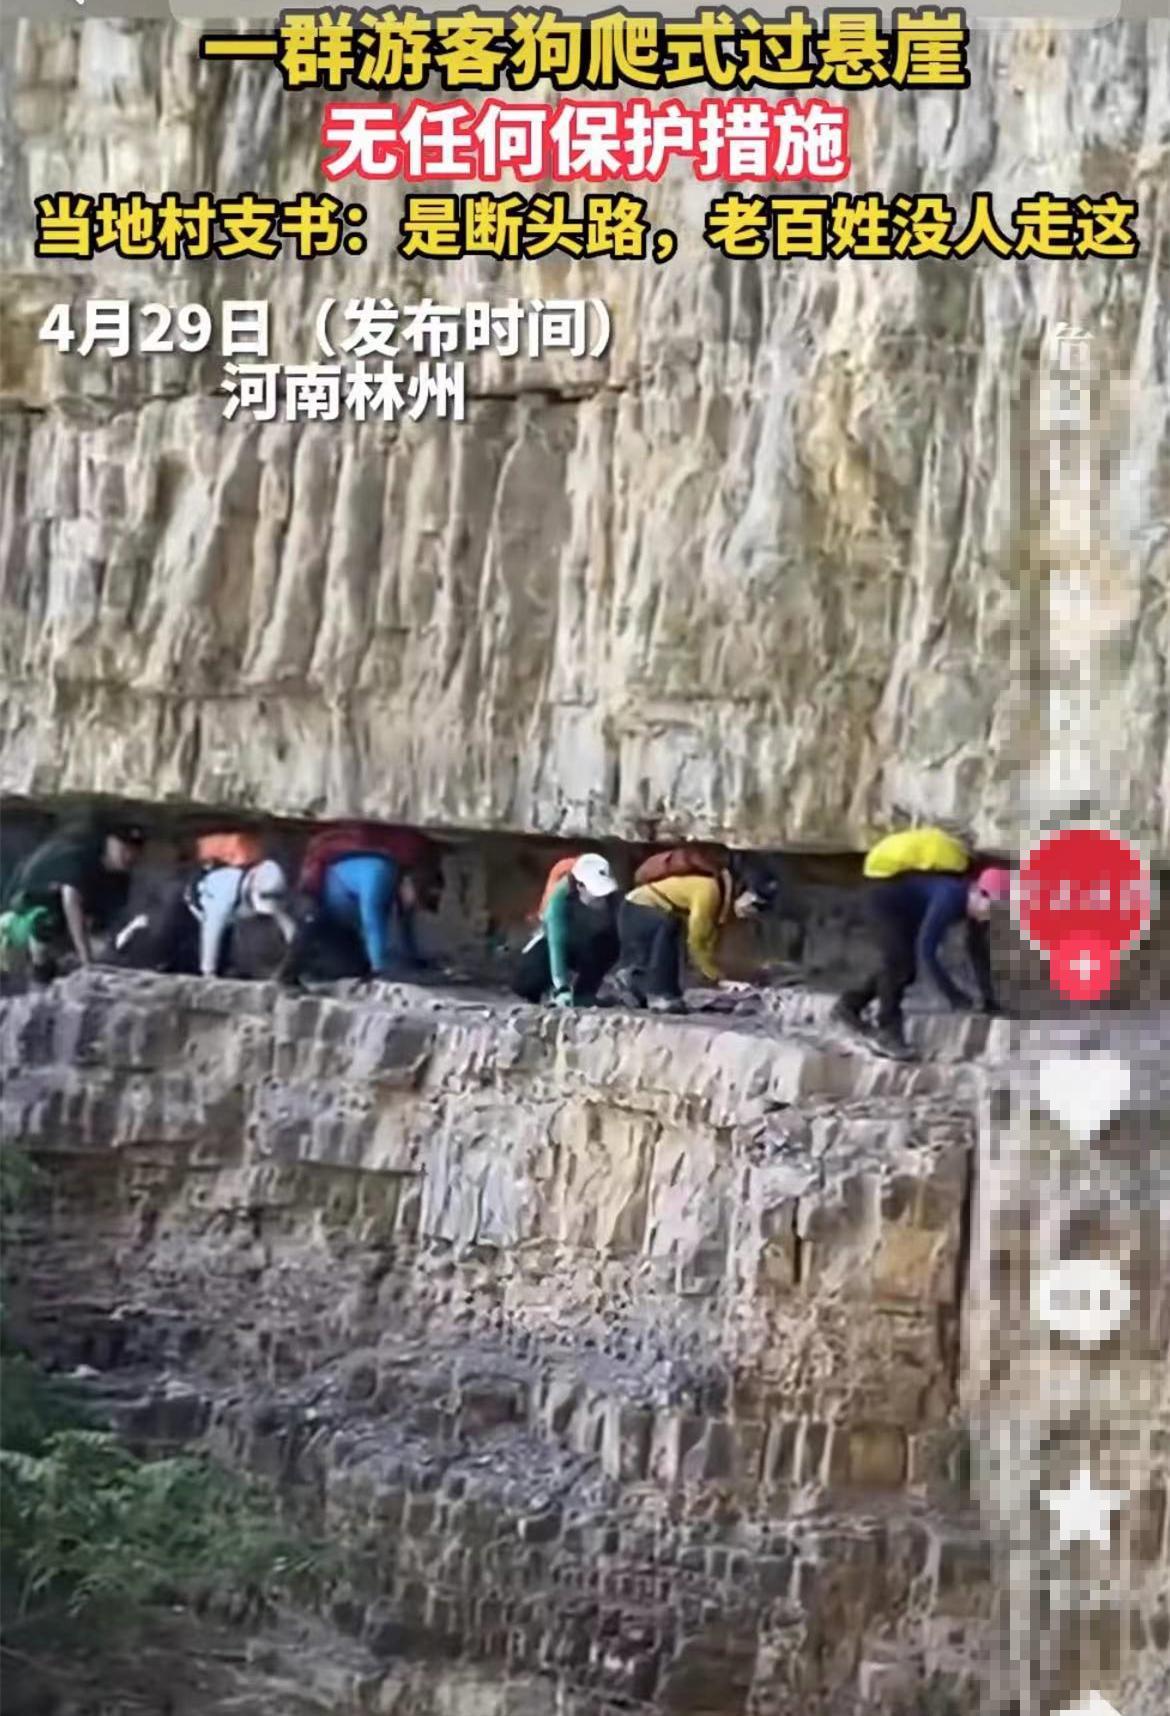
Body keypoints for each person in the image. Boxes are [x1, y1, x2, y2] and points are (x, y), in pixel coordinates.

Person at [831, 857, 1012, 1060]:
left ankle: (849, 1006)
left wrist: (989, 1000)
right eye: (992, 907)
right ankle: (888, 1031)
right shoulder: (950, 898)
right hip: (882, 903)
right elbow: (926, 951)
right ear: (978, 892)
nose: (991, 915)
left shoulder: (978, 910)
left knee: (904, 969)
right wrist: (955, 997)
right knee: (900, 965)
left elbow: (978, 954)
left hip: (905, 913)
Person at [278, 821, 443, 986]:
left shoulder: (397, 887)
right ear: (410, 884)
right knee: (312, 926)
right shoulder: (381, 873)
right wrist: (380, 969)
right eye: (417, 901)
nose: (414, 908)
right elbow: (372, 922)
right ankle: (287, 976)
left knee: (355, 967)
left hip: (344, 923)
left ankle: (316, 969)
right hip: (321, 912)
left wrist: (414, 961)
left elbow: (405, 930)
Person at [614, 853, 780, 1014]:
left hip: (640, 909)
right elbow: (697, 941)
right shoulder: (710, 892)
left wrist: (719, 973)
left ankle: (634, 981)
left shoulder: (720, 898)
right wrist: (716, 978)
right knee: (668, 928)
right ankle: (661, 994)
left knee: (660, 942)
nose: (753, 912)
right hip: (638, 909)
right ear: (742, 890)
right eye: (755, 905)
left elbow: (709, 940)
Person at [0, 819, 145, 981]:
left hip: (65, 923)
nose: (129, 855)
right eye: (124, 848)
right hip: (25, 903)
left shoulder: (120, 879)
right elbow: (71, 902)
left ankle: (62, 959)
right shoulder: (82, 858)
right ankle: (39, 965)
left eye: (135, 850)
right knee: (48, 916)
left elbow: (108, 920)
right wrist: (86, 960)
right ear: (109, 843)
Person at [513, 854, 621, 1008]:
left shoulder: (615, 900)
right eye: (596, 895)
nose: (602, 899)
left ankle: (584, 995)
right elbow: (556, 944)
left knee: (607, 945)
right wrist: (561, 987)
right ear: (580, 886)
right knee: (525, 981)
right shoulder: (558, 900)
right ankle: (545, 995)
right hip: (560, 944)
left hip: (590, 947)